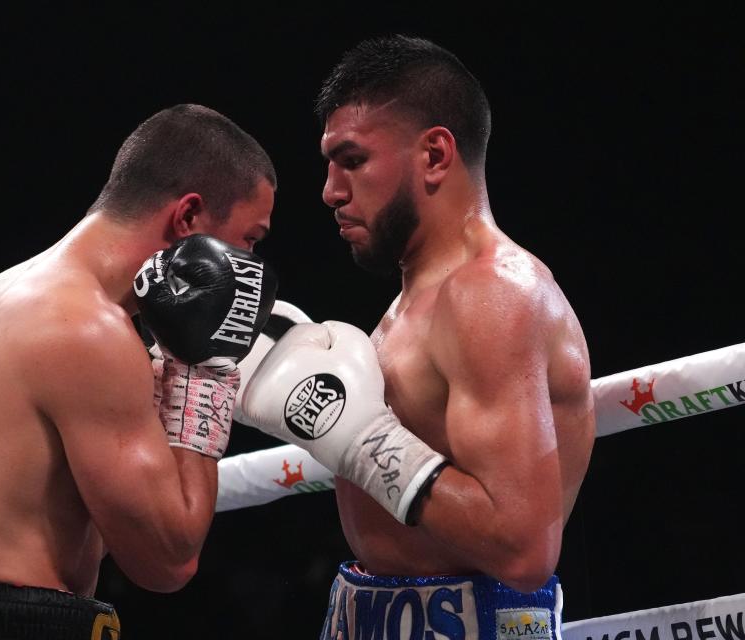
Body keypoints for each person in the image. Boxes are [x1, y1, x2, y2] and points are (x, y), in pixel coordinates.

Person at [240, 35, 594, 639]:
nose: (330, 191)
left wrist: (359, 439)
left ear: (434, 155)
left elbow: (524, 549)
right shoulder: (414, 305)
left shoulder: (492, 294)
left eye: (352, 160)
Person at [0, 103, 277, 640]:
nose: (249, 265)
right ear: (188, 217)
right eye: (250, 239)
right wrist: (205, 379)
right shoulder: (88, 332)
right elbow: (168, 560)